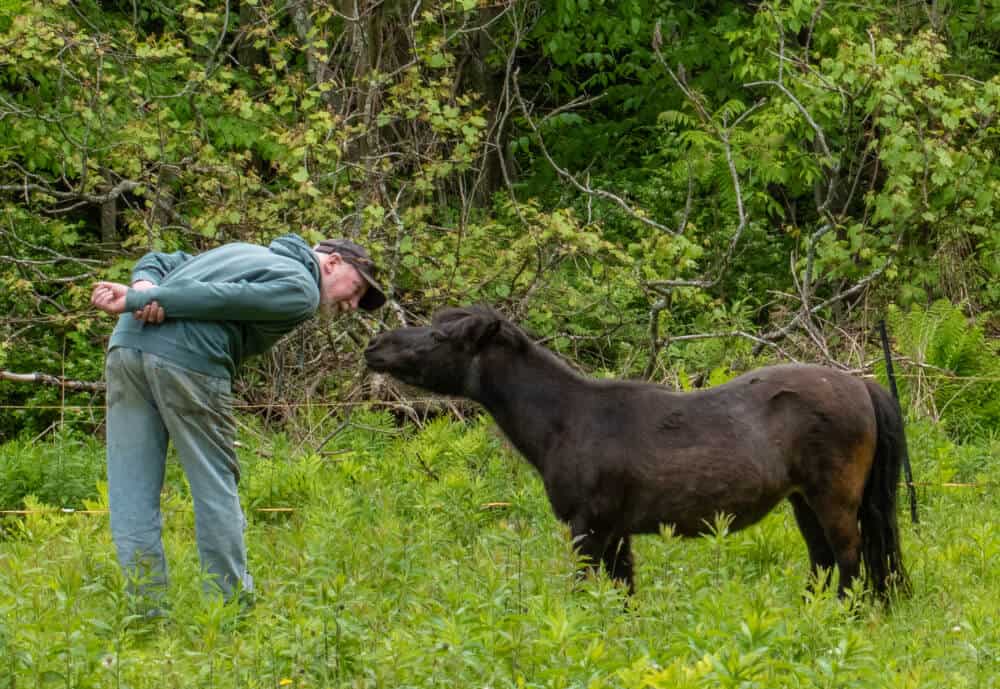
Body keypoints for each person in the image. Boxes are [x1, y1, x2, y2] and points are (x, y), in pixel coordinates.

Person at [90, 234, 386, 610]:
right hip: (187, 358)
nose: (353, 304)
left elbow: (162, 258)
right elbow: (221, 298)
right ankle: (230, 609)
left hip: (126, 346)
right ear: (332, 263)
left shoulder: (242, 251)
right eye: (357, 289)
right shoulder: (301, 289)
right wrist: (142, 297)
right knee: (215, 484)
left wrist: (145, 285)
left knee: (131, 487)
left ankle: (144, 611)